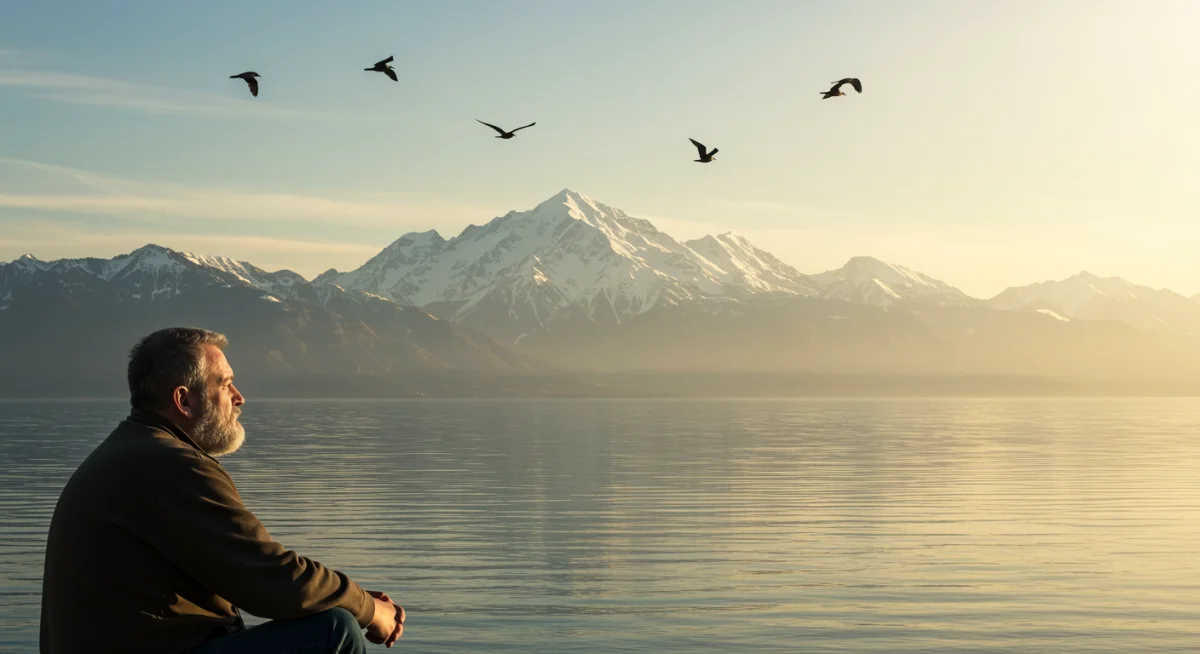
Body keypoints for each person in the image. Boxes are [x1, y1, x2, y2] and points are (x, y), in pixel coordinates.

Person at [39, 327, 405, 653]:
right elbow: (272, 580)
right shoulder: (175, 468)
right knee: (333, 630)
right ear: (184, 400)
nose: (239, 396)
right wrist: (369, 610)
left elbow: (255, 575)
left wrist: (350, 598)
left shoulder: (130, 451)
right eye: (225, 383)